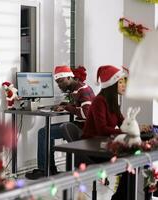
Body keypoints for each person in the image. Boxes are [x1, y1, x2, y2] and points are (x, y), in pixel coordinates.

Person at [82, 65, 151, 200]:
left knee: (140, 157)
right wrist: (126, 130)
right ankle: (121, 197)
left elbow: (122, 123)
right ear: (111, 85)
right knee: (131, 160)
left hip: (106, 144)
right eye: (120, 82)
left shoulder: (113, 101)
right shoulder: (99, 102)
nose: (124, 84)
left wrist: (138, 128)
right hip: (93, 147)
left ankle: (126, 196)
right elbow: (102, 129)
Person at [25, 65, 95, 180]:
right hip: (83, 125)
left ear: (69, 77)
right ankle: (50, 168)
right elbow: (83, 107)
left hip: (84, 128)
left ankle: (44, 170)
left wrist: (67, 107)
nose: (59, 85)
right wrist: (66, 106)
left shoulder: (82, 90)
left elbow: (86, 114)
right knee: (46, 131)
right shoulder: (78, 88)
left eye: (61, 81)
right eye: (57, 82)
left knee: (43, 132)